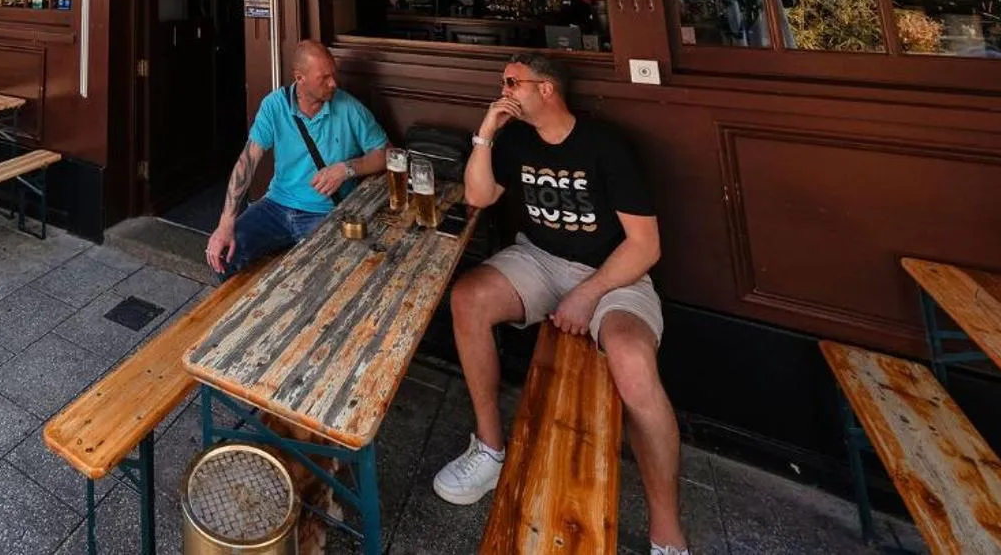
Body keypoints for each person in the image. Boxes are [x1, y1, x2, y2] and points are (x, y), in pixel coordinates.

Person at [431, 53, 689, 555]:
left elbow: (644, 246)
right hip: (538, 260)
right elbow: (479, 197)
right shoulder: (515, 139)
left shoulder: (604, 146)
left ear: (546, 89)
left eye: (511, 82)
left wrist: (587, 294)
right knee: (468, 299)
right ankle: (488, 448)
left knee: (633, 364)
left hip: (613, 275)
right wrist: (486, 131)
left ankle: (667, 532)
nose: (503, 89)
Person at [205, 40, 390, 277]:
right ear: (299, 78)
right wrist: (225, 223)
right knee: (223, 254)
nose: (333, 83)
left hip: (326, 213)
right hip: (276, 207)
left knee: (334, 275)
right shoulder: (275, 106)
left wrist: (347, 168)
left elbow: (386, 153)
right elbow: (246, 163)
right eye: (324, 78)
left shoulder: (349, 108)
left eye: (334, 75)